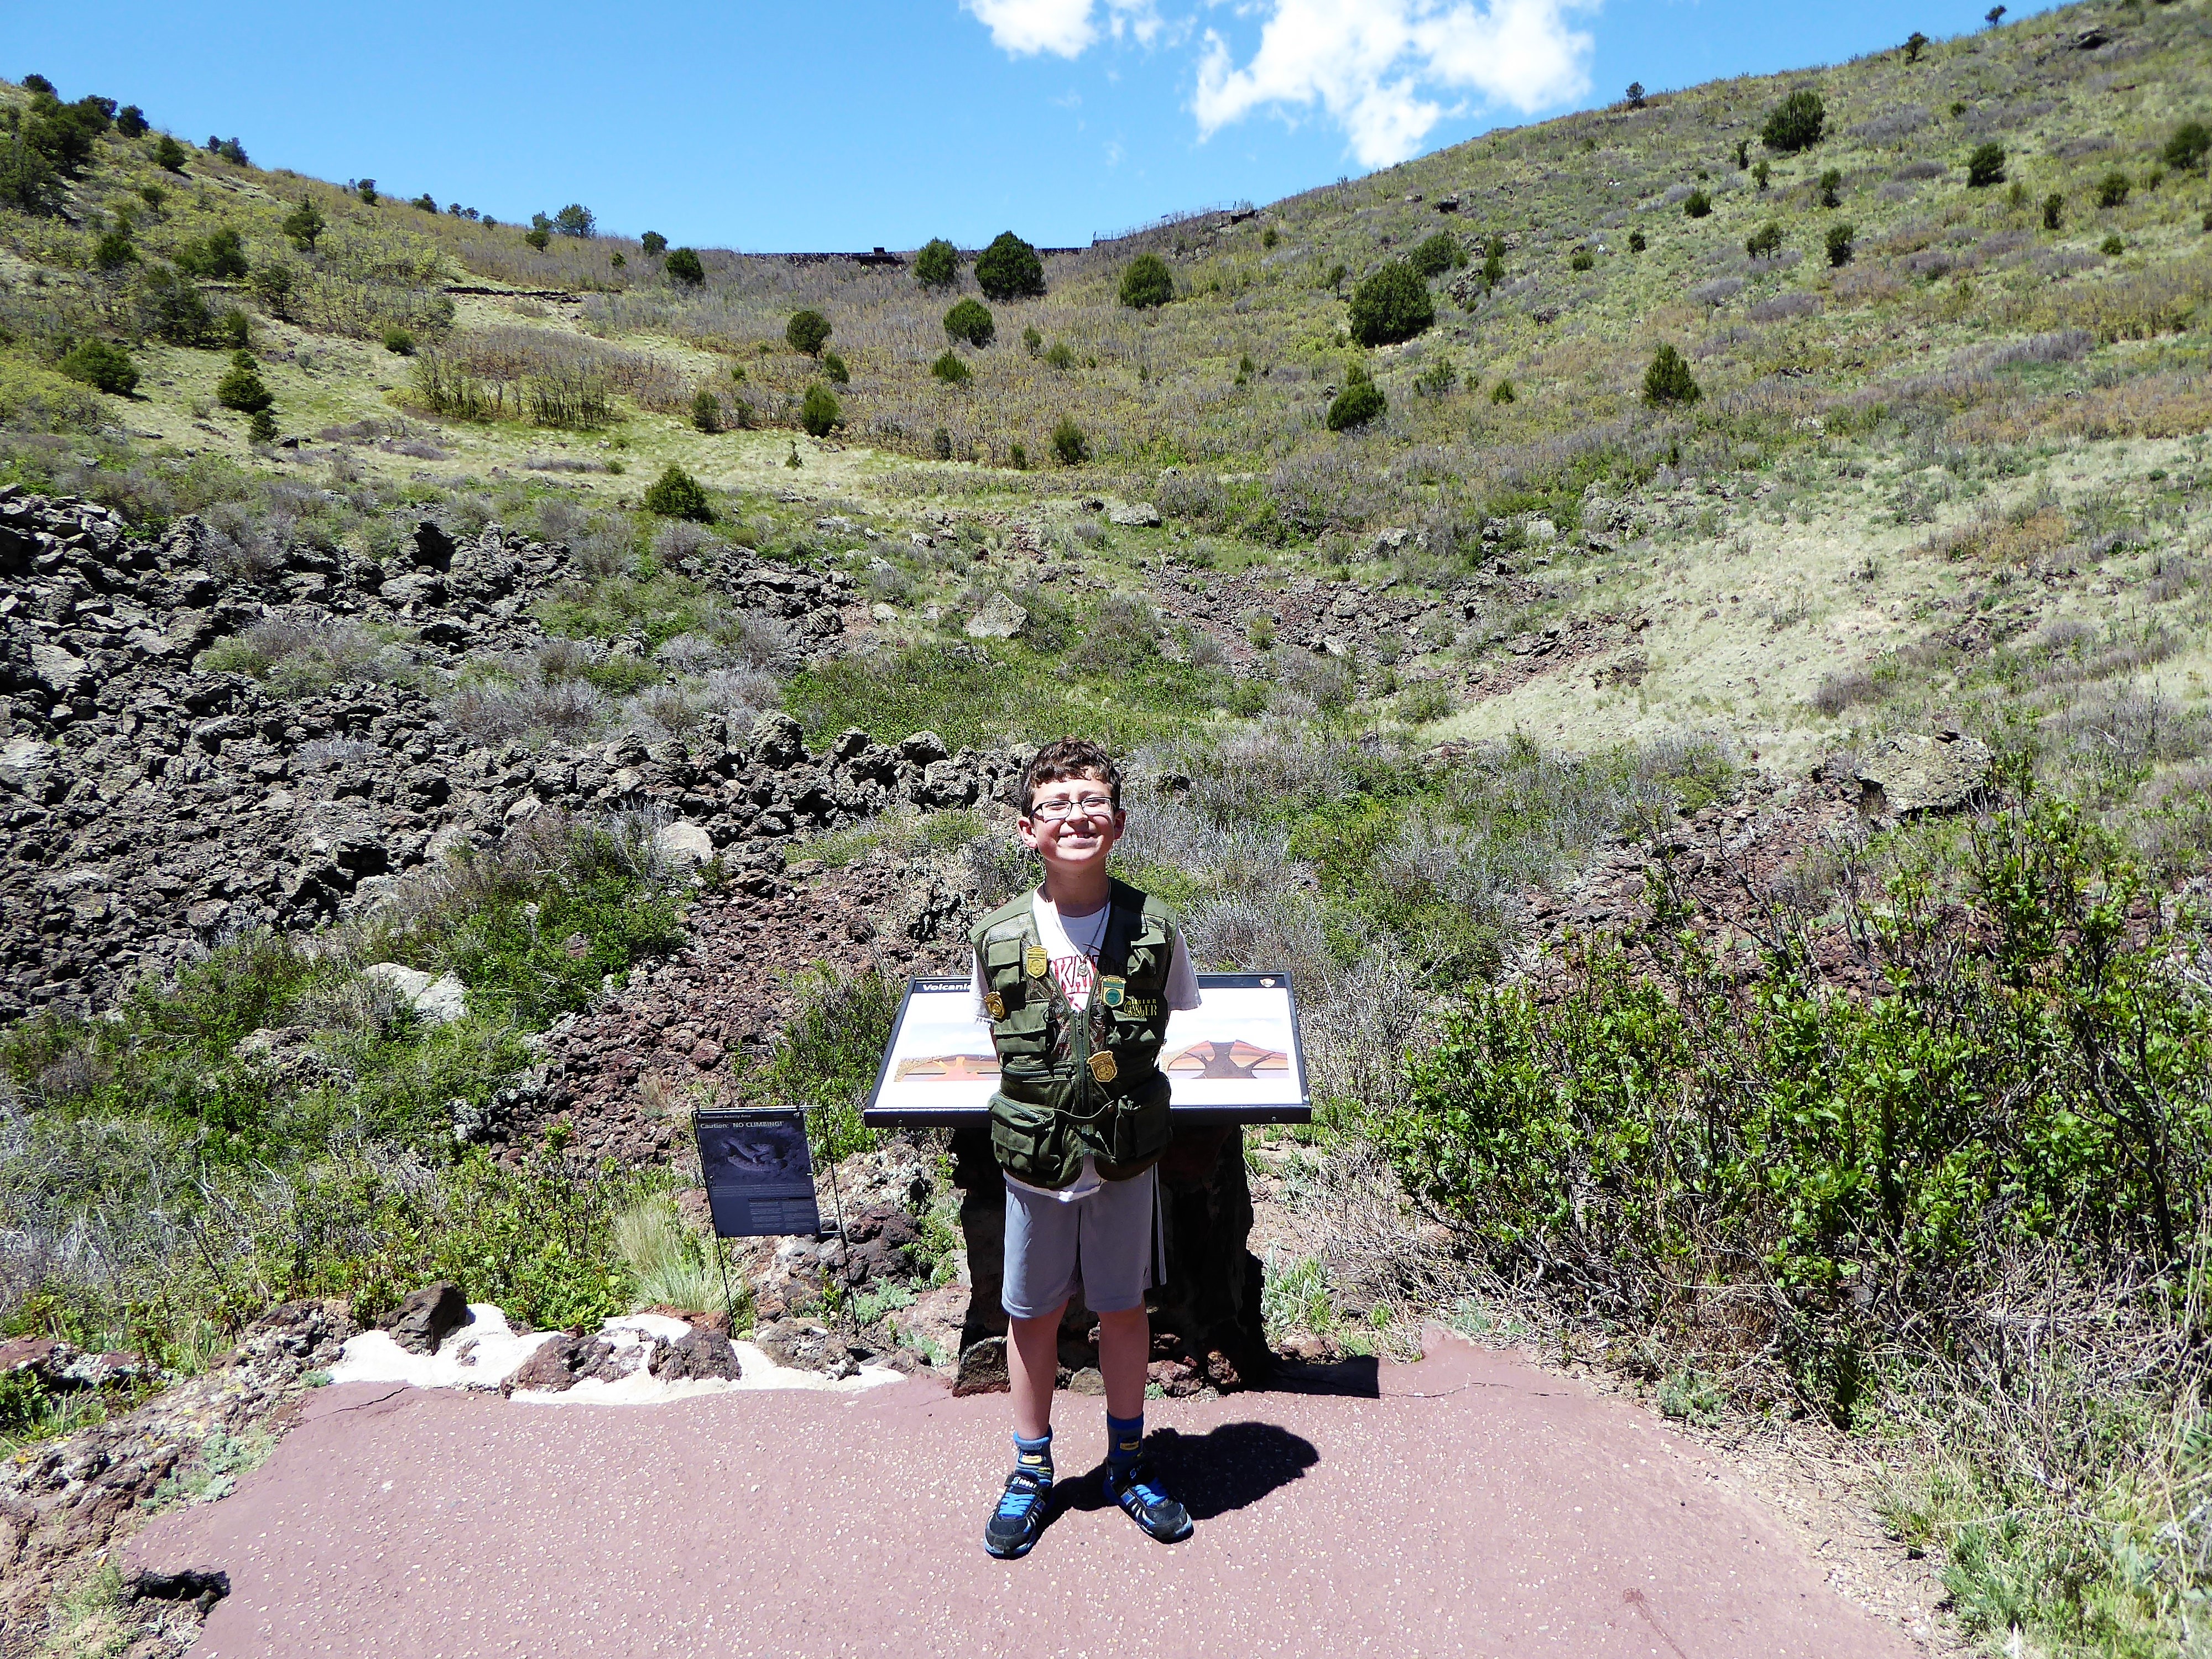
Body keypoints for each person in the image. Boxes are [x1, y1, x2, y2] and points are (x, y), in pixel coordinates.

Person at [969, 737, 1202, 1560]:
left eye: (1092, 803)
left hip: (1124, 1160)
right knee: (1029, 1314)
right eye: (1057, 806)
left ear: (1120, 823)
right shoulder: (995, 937)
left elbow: (1174, 1015)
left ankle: (1128, 1463)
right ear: (1028, 828)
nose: (1076, 818)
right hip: (1035, 1165)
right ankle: (1031, 1472)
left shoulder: (1155, 930)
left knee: (1121, 1309)